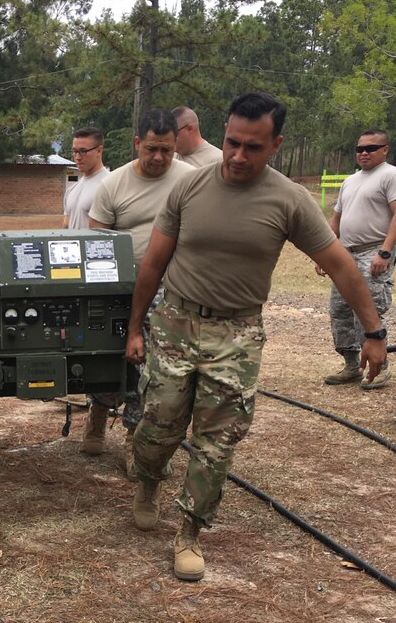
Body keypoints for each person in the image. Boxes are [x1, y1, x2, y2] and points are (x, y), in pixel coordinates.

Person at [125, 91, 387, 583]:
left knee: (217, 440)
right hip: (176, 324)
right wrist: (136, 328)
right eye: (232, 143)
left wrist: (373, 331)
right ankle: (148, 481)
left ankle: (189, 531)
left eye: (253, 147)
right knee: (158, 424)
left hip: (238, 332)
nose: (239, 156)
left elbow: (340, 266)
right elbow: (153, 263)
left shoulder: (289, 199)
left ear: (276, 145)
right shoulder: (189, 188)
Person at [82, 108, 194, 452]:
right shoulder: (113, 184)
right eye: (151, 149)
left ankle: (136, 439)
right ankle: (98, 414)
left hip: (171, 292)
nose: (159, 157)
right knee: (108, 358)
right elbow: (97, 243)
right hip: (120, 290)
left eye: (167, 150)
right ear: (136, 144)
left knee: (154, 369)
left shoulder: (191, 180)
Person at [320, 128, 396, 389]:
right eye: (360, 149)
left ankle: (381, 367)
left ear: (384, 150)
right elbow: (337, 220)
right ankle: (352, 366)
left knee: (368, 311)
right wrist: (324, 252)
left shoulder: (390, 175)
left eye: (371, 148)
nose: (364, 153)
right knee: (340, 309)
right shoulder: (350, 181)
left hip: (373, 251)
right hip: (346, 253)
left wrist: (385, 252)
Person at [62, 126, 109, 229]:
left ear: (99, 151)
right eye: (75, 151)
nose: (78, 157)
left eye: (83, 151)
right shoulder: (71, 190)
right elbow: (66, 226)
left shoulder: (110, 185)